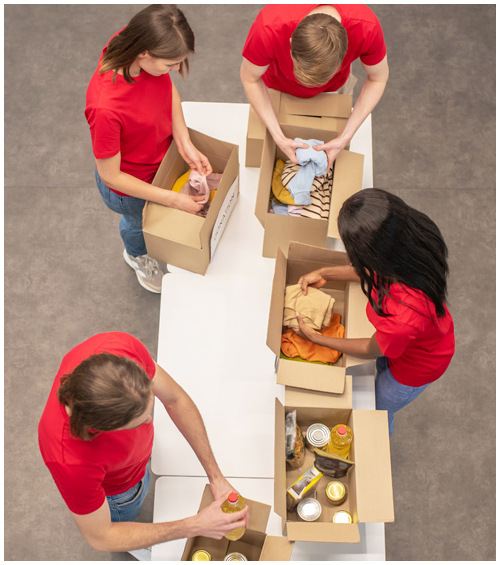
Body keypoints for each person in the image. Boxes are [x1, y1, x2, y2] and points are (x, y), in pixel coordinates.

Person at [38, 332, 249, 555]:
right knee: (127, 518)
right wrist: (195, 525)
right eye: (136, 424)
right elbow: (102, 536)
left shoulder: (119, 349)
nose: (150, 421)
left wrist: (216, 476)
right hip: (119, 494)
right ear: (105, 429)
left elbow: (175, 399)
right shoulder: (70, 462)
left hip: (133, 463)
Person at [293, 189, 455, 437]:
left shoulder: (404, 316)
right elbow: (372, 271)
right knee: (377, 375)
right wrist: (325, 272)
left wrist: (315, 338)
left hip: (415, 368)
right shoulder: (414, 242)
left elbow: (371, 349)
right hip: (423, 338)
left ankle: (378, 450)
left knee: (376, 413)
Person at [85, 5, 212, 294]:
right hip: (131, 187)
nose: (177, 70)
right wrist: (173, 200)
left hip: (158, 162)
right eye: (171, 64)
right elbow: (111, 176)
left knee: (153, 217)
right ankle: (136, 255)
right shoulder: (105, 107)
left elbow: (166, 87)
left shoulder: (131, 43)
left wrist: (183, 141)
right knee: (138, 224)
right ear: (144, 52)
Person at [240, 5, 389, 170]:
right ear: (290, 42)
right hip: (278, 84)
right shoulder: (268, 28)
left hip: (335, 89)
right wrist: (279, 138)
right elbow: (250, 78)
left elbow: (378, 78)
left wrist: (344, 139)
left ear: (345, 52)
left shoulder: (366, 27)